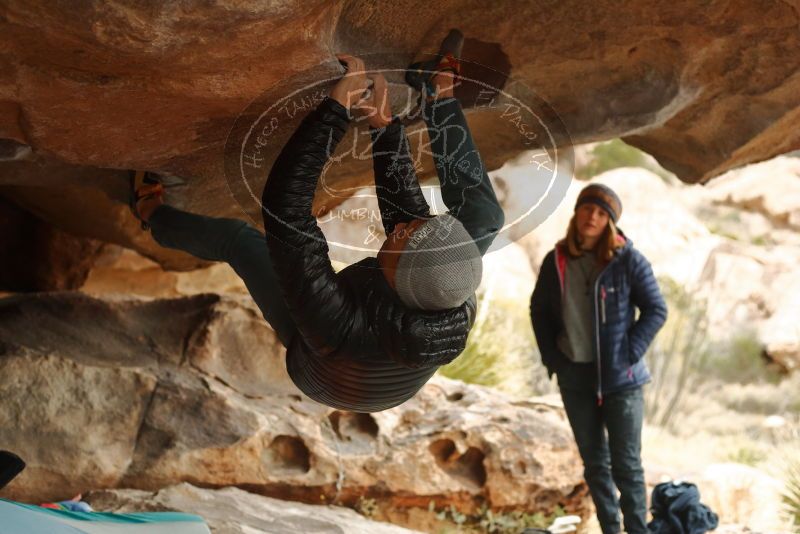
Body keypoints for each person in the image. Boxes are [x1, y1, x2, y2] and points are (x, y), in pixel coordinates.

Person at [129, 30, 504, 413]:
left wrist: (334, 110)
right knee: (486, 219)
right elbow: (409, 221)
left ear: (394, 274)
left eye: (404, 236)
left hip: (326, 371)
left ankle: (149, 213)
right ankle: (437, 94)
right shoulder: (450, 282)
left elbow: (284, 210)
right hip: (389, 318)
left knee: (239, 241)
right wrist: (383, 128)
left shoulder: (334, 323)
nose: (405, 224)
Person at [529, 184, 667, 534]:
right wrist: (553, 359)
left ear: (609, 223)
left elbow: (656, 309)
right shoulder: (556, 261)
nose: (593, 217)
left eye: (602, 213)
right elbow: (539, 310)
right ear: (577, 213)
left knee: (627, 466)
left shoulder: (627, 260)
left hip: (622, 380)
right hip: (574, 377)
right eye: (588, 209)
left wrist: (628, 353)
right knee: (595, 464)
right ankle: (610, 529)